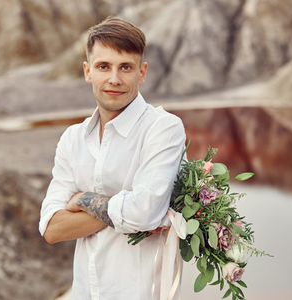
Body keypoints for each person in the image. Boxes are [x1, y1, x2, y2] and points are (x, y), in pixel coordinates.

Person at [39, 17, 186, 299]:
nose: (114, 79)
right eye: (103, 66)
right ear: (87, 71)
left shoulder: (163, 128)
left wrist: (83, 201)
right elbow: (52, 228)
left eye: (126, 67)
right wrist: (131, 203)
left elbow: (145, 212)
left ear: (142, 72)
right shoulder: (72, 138)